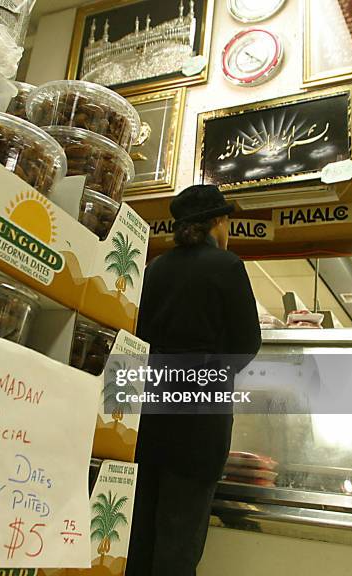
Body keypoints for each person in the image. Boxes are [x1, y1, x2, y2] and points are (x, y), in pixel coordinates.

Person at [127, 184, 261, 576]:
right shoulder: (228, 266)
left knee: (140, 536)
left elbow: (136, 337)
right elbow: (246, 344)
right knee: (180, 541)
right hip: (199, 430)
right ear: (217, 222)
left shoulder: (154, 269)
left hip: (146, 421)